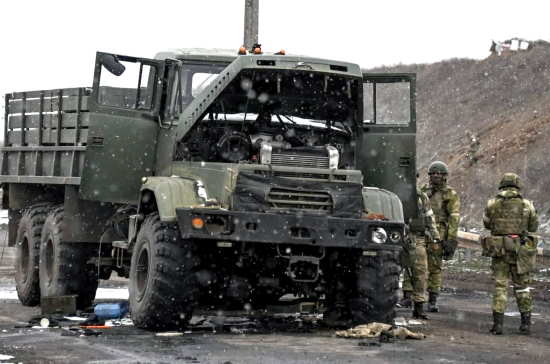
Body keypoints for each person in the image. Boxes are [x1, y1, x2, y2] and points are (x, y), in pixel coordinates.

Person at [482, 173, 538, 335]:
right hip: (520, 250)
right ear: (517, 185)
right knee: (522, 287)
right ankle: (525, 323)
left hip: (499, 250)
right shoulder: (527, 205)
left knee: (500, 287)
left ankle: (498, 325)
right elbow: (533, 226)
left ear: (502, 185)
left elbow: (486, 222)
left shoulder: (492, 204)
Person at [421, 161, 460, 312]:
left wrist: (451, 239)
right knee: (414, 265)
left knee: (435, 268)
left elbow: (454, 217)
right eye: (433, 173)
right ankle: (409, 296)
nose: (436, 176)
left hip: (438, 235)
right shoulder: (423, 191)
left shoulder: (450, 194)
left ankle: (432, 299)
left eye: (439, 174)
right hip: (421, 232)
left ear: (444, 176)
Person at [400, 187, 441, 319]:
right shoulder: (394, 191)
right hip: (397, 236)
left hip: (416, 237)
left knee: (420, 273)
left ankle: (419, 307)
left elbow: (429, 217)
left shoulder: (420, 196)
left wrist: (435, 237)